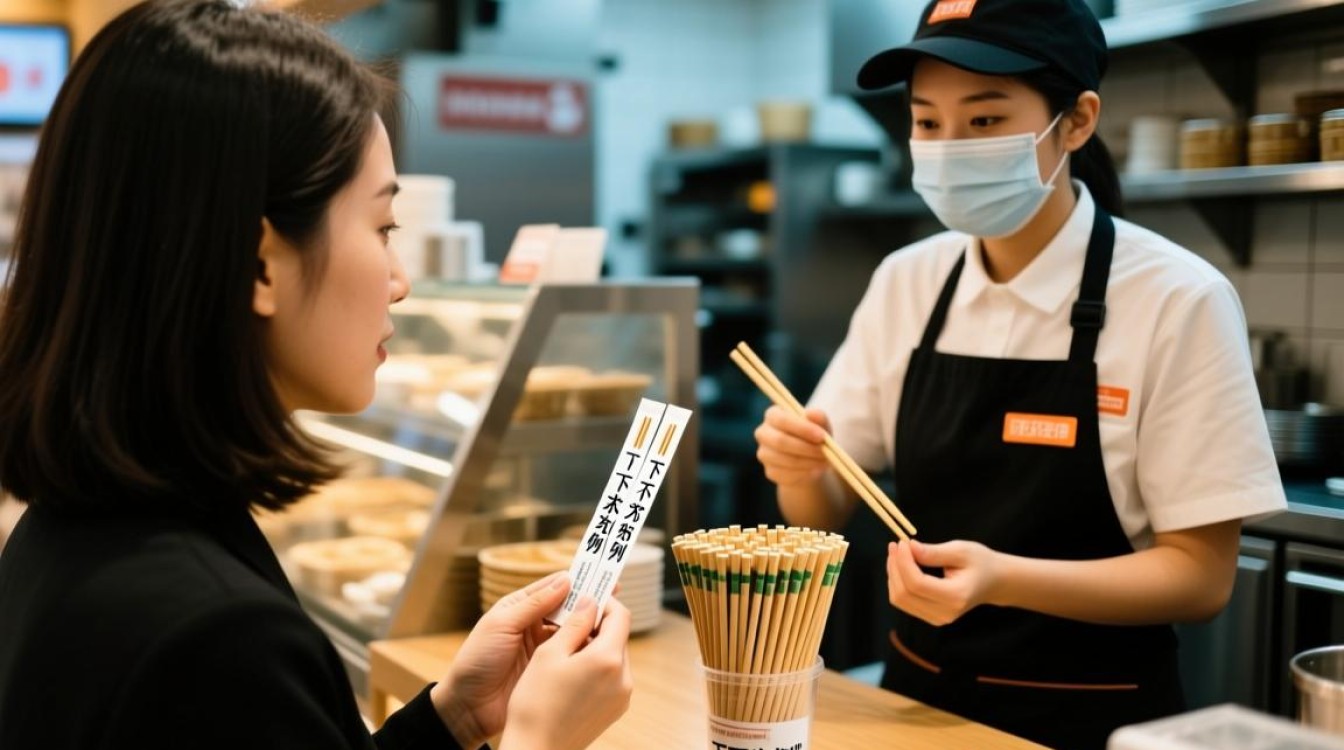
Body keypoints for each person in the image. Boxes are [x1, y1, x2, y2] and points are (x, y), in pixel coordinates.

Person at [0, 2, 631, 748]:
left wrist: (454, 717)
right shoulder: (215, 640)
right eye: (383, 227)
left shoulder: (84, 529)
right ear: (259, 264)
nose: (400, 281)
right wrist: (540, 740)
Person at [752, 0, 1287, 746]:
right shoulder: (908, 280)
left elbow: (1200, 578)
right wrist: (801, 469)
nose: (947, 148)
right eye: (927, 122)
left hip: (1094, 719)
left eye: (984, 120)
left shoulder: (1176, 298)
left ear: (1077, 121)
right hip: (915, 711)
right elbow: (823, 513)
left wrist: (1004, 579)